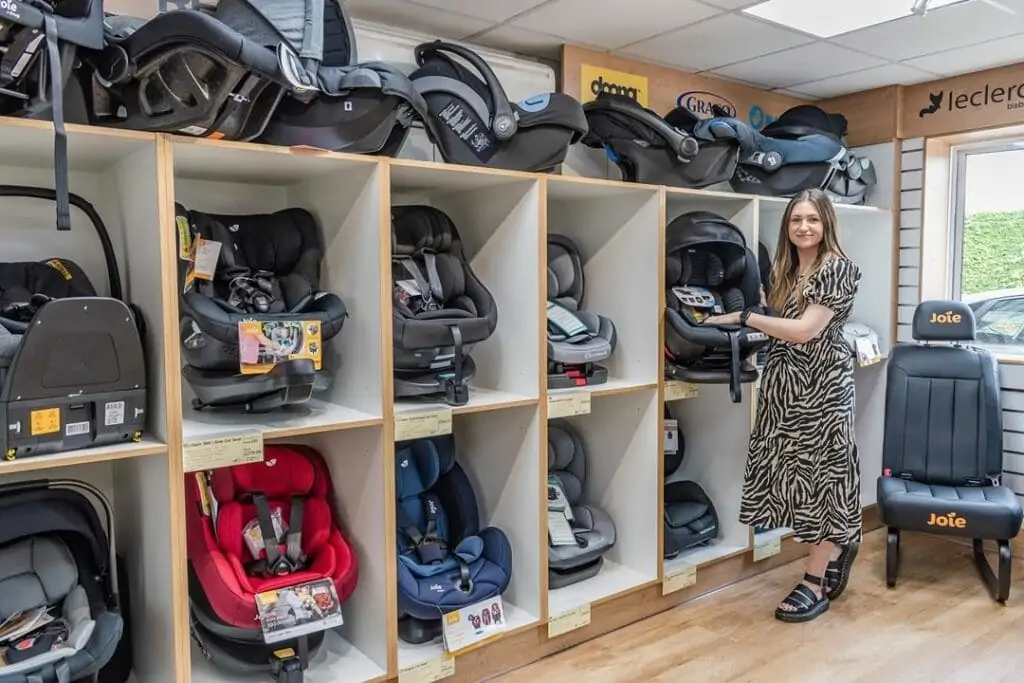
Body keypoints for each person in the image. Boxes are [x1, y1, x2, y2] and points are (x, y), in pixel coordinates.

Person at [702, 188, 862, 623]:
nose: (804, 227)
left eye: (812, 219)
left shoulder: (839, 269)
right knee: (793, 478)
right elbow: (779, 325)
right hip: (784, 384)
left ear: (826, 222)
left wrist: (744, 317)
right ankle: (835, 544)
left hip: (823, 387)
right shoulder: (787, 270)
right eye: (796, 221)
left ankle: (814, 579)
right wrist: (714, 320)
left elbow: (805, 330)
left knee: (824, 478)